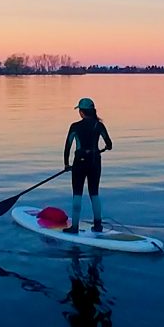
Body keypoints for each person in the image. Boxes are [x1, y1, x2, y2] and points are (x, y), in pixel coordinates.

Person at [63, 97, 113, 233]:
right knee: (94, 193)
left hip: (79, 162)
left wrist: (67, 164)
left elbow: (67, 146)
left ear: (81, 112)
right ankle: (98, 226)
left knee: (77, 193)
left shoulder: (75, 126)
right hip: (95, 161)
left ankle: (74, 227)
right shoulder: (99, 125)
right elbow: (109, 144)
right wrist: (106, 147)